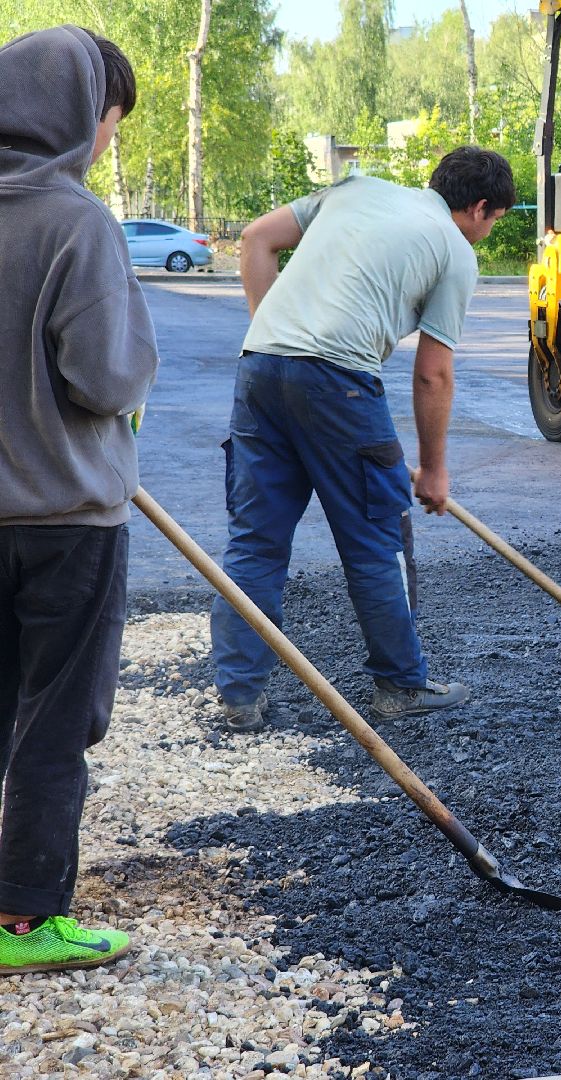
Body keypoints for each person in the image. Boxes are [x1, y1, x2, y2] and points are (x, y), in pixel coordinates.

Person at [209, 147, 514, 732]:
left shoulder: (355, 189)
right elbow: (433, 373)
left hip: (261, 366)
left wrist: (271, 329)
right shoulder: (454, 251)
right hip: (340, 382)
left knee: (255, 542)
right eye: (494, 219)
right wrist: (434, 469)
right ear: (478, 209)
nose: (487, 230)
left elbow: (255, 239)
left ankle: (239, 698)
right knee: (377, 543)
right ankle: (401, 684)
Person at [0, 26, 158, 973]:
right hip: (65, 519)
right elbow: (105, 377)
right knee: (56, 718)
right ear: (73, 115)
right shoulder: (75, 223)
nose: (107, 141)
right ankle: (23, 920)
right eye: (107, 121)